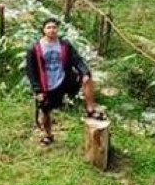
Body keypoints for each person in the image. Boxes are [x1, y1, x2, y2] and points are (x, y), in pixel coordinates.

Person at [25, 17, 101, 145]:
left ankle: (90, 109)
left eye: (54, 27)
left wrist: (84, 72)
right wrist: (37, 90)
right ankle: (48, 135)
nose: (52, 30)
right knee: (46, 111)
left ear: (58, 30)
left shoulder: (64, 45)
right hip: (46, 85)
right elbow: (31, 71)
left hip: (64, 80)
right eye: (49, 27)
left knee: (87, 78)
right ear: (43, 30)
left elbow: (77, 60)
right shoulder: (35, 49)